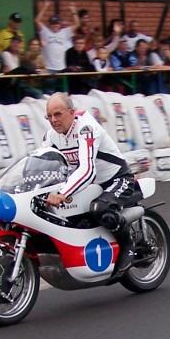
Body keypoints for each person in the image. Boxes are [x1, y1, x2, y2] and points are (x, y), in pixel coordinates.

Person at [42, 92, 140, 274]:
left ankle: (128, 244)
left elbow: (87, 170)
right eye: (49, 116)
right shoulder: (51, 136)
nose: (53, 120)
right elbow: (41, 163)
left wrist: (63, 193)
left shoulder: (86, 128)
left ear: (71, 112)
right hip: (90, 186)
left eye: (58, 114)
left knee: (99, 209)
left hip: (116, 179)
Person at [35, 0, 79, 73]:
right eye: (53, 23)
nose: (55, 25)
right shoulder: (45, 31)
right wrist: (45, 7)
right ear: (49, 24)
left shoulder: (65, 32)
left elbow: (77, 24)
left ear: (60, 24)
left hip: (61, 67)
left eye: (57, 23)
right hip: (47, 67)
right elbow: (37, 20)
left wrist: (73, 11)